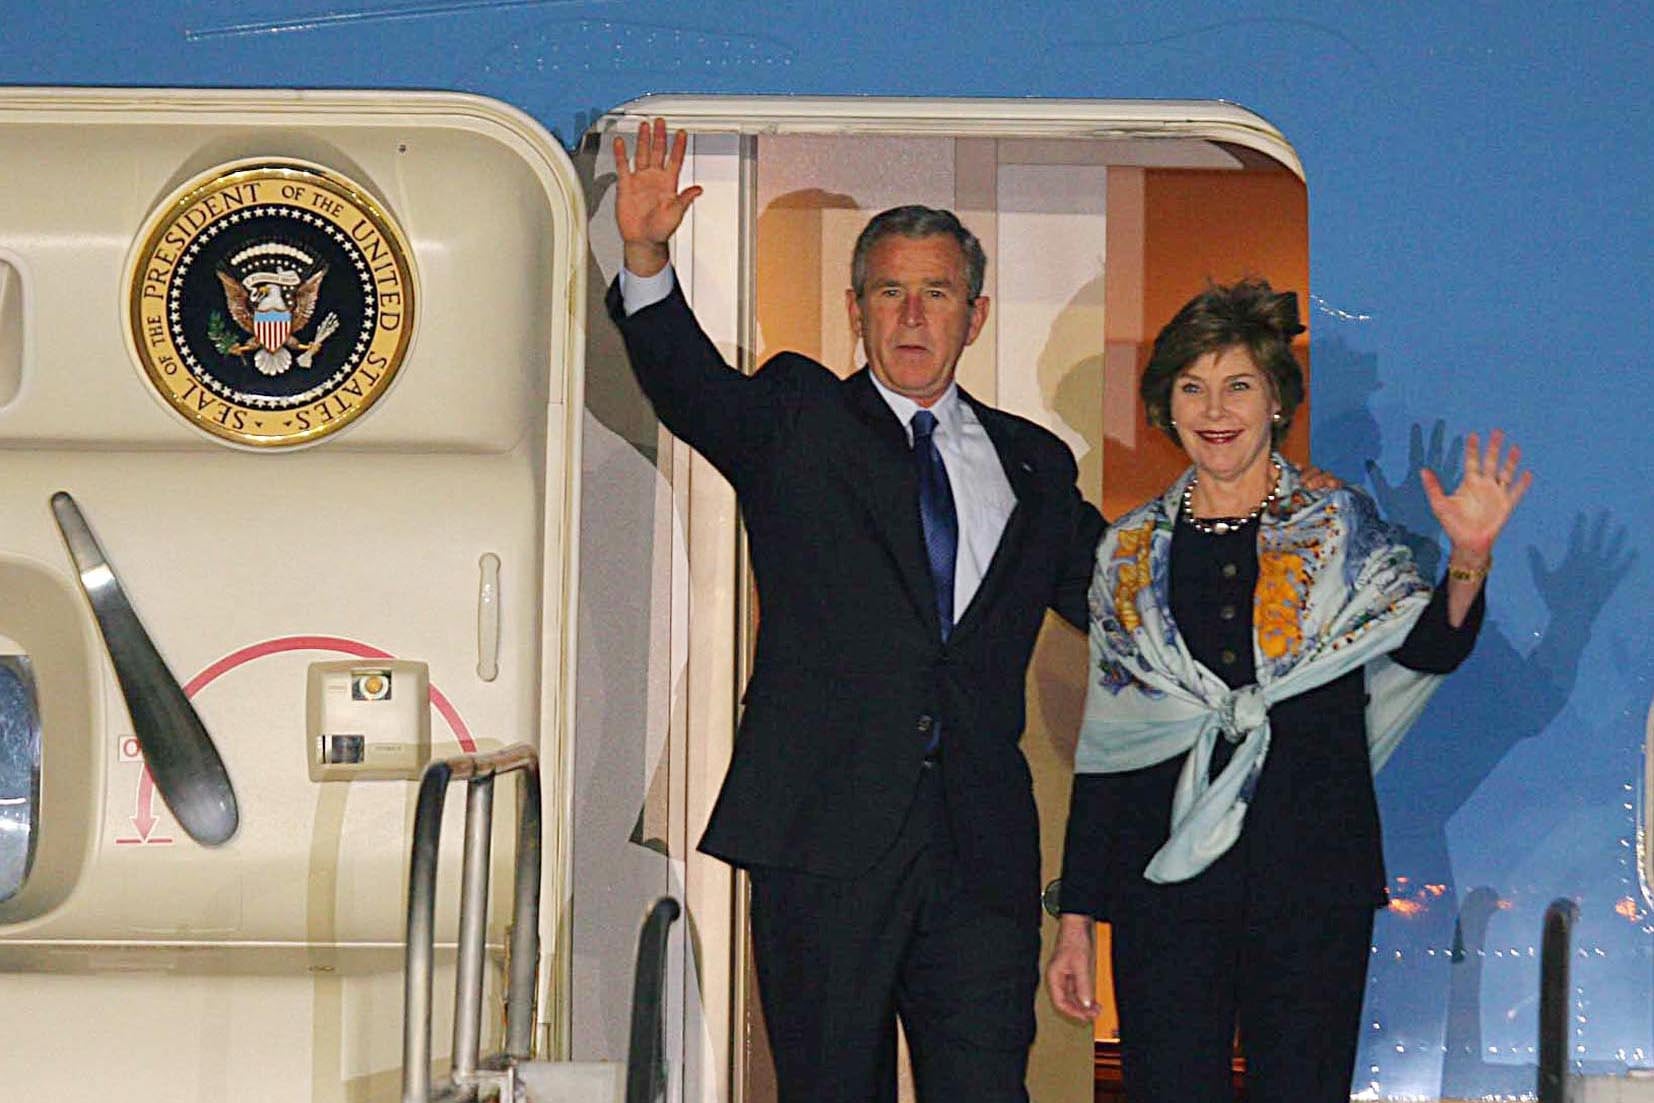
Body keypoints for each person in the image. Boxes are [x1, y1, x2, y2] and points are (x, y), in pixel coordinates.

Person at [607, 119, 1105, 1103]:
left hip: (978, 851)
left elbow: (1126, 600)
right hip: (823, 841)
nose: (912, 315)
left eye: (937, 292)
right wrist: (646, 256)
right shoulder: (797, 418)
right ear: (855, 310)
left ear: (976, 313)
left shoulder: (1034, 462)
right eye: (889, 291)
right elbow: (690, 388)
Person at [1044, 279, 1531, 1102]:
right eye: (1191, 387)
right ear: (1166, 407)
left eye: (1237, 383)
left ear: (1277, 400)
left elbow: (1435, 646)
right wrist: (1076, 920)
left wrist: (1471, 554)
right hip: (1165, 889)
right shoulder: (1125, 555)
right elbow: (1112, 747)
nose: (1214, 407)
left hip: (1311, 879)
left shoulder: (1341, 526)